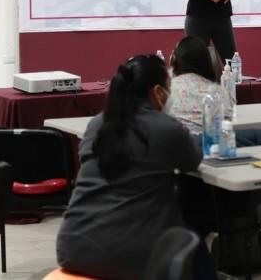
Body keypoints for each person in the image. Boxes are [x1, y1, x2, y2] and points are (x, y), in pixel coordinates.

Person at [56, 55, 205, 280]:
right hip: (128, 255)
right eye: (169, 87)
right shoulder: (166, 128)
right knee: (191, 233)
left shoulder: (97, 124)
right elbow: (193, 160)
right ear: (158, 92)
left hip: (72, 246)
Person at [167, 36, 261, 147]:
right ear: (207, 62)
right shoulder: (216, 91)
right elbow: (228, 119)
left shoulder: (166, 88)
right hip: (211, 146)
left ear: (174, 60)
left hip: (177, 145)